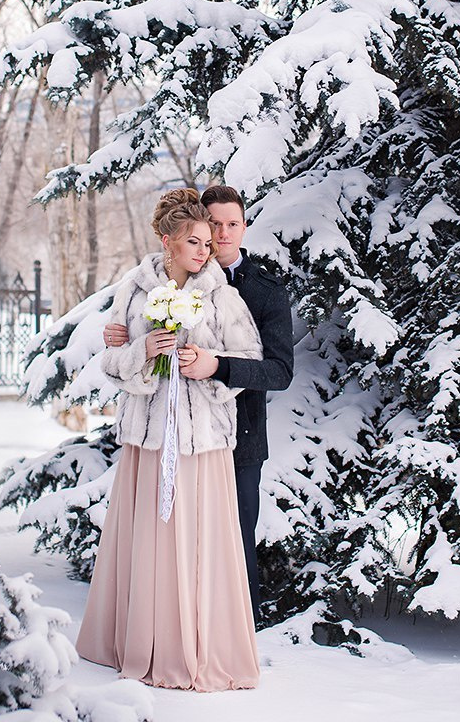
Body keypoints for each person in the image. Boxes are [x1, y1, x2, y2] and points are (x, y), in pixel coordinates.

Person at [77, 188, 264, 692]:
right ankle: (144, 642)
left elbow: (247, 358)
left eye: (209, 241)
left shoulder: (222, 294)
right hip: (149, 440)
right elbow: (111, 363)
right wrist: (142, 350)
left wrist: (210, 366)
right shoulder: (134, 291)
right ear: (168, 242)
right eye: (195, 242)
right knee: (151, 543)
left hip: (201, 443)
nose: (206, 250)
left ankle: (197, 646)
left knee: (197, 543)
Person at [106, 184, 294, 624]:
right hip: (171, 435)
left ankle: (234, 633)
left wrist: (219, 368)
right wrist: (125, 341)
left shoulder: (264, 290)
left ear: (244, 227)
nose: (222, 235)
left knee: (232, 541)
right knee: (172, 541)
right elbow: (130, 336)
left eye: (233, 225)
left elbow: (278, 371)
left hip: (238, 435)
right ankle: (173, 626)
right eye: (214, 225)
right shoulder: (158, 280)